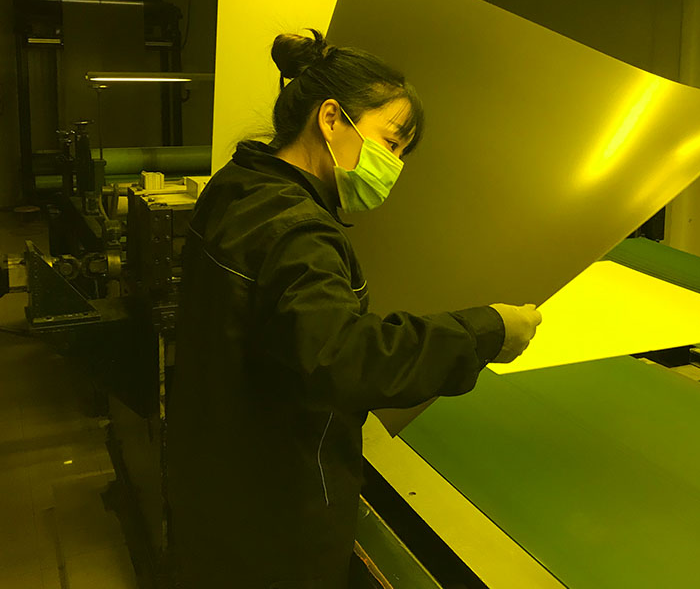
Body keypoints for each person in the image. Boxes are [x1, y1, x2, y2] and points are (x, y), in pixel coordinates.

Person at [167, 29, 542, 589]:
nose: (395, 165)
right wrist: (487, 330)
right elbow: (342, 358)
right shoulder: (299, 233)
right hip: (276, 506)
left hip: (217, 471)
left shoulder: (239, 185)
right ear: (330, 118)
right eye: (391, 143)